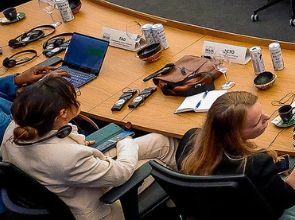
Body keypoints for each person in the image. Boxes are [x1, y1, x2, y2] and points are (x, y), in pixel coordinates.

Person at [1, 76, 177, 220]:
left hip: (70, 178)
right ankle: (181, 201)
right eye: (74, 97)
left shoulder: (15, 128)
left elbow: (59, 150)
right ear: (62, 113)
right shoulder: (68, 157)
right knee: (161, 160)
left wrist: (78, 144)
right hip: (98, 204)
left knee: (161, 141)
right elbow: (121, 173)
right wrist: (126, 142)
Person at [178, 91, 295, 220]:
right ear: (235, 135)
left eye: (262, 113)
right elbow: (288, 198)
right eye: (258, 121)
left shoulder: (189, 140)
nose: (267, 117)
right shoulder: (257, 164)